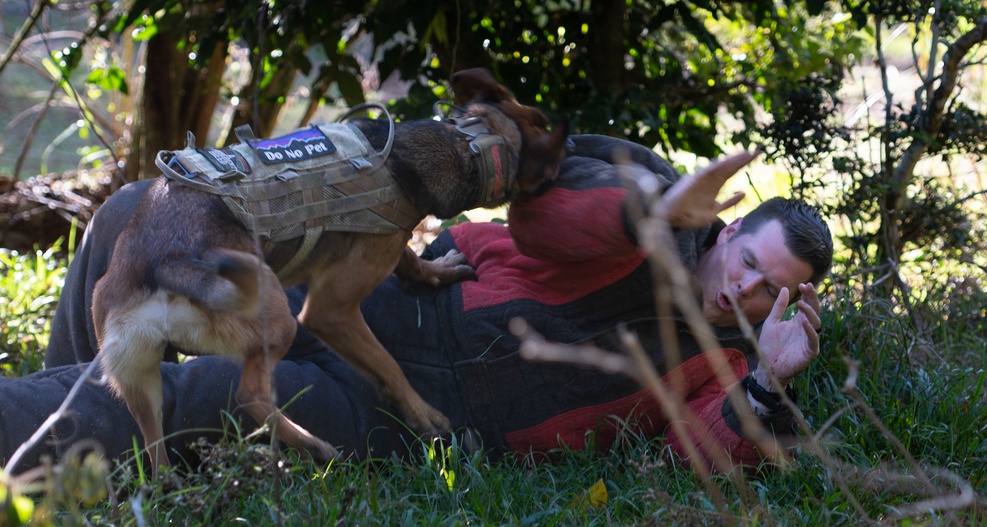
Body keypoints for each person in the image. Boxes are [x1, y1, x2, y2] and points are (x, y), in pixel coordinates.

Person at [0, 135, 831, 476]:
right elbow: (543, 214)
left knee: (210, 399)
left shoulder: (728, 357)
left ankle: (26, 447)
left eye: (769, 290)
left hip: (420, 412)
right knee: (129, 220)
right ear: (731, 228)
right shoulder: (649, 189)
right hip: (384, 294)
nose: (742, 291)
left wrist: (770, 383)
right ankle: (63, 420)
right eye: (746, 262)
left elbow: (704, 448)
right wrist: (645, 213)